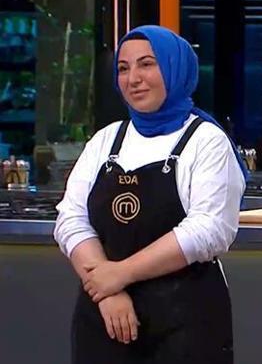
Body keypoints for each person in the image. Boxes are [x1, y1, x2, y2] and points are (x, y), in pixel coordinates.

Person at [53, 25, 247, 364]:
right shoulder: (105, 140)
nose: (133, 79)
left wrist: (121, 274)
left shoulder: (206, 141)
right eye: (123, 68)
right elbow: (71, 219)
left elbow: (209, 229)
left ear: (175, 69)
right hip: (104, 317)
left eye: (147, 64)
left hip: (185, 319)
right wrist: (106, 290)